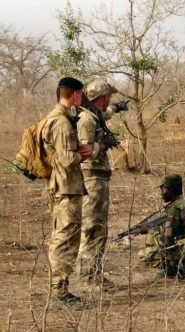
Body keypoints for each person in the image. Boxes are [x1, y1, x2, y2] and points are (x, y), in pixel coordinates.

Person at [42, 77, 93, 306]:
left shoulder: (60, 118)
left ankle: (60, 288)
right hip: (66, 188)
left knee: (65, 236)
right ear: (74, 95)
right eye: (80, 95)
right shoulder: (61, 122)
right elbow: (66, 159)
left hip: (64, 186)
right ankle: (59, 292)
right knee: (66, 238)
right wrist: (85, 153)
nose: (81, 99)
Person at [77, 80, 126, 292]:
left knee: (98, 228)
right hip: (91, 178)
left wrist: (116, 109)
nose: (110, 101)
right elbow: (84, 151)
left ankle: (93, 275)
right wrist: (104, 144)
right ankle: (90, 279)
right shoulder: (87, 119)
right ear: (103, 97)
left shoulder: (94, 114)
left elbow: (103, 115)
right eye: (110, 98)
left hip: (97, 177)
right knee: (93, 227)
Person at [138, 174, 185, 279]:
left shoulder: (175, 209)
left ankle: (176, 270)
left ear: (170, 190)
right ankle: (182, 268)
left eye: (163, 190)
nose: (161, 194)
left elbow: (166, 244)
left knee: (144, 253)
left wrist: (150, 231)